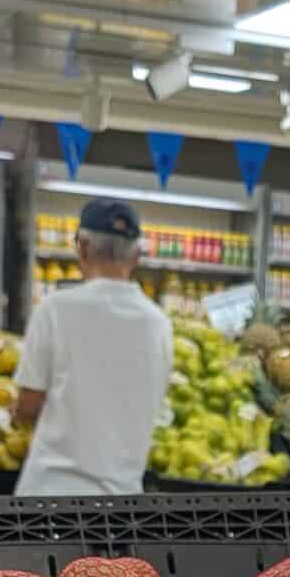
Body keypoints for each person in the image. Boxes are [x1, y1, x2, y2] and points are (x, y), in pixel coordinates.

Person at [12, 198, 173, 496]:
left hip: (50, 496)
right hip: (121, 501)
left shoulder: (54, 310)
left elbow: (27, 406)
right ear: (137, 256)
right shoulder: (159, 323)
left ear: (82, 248)